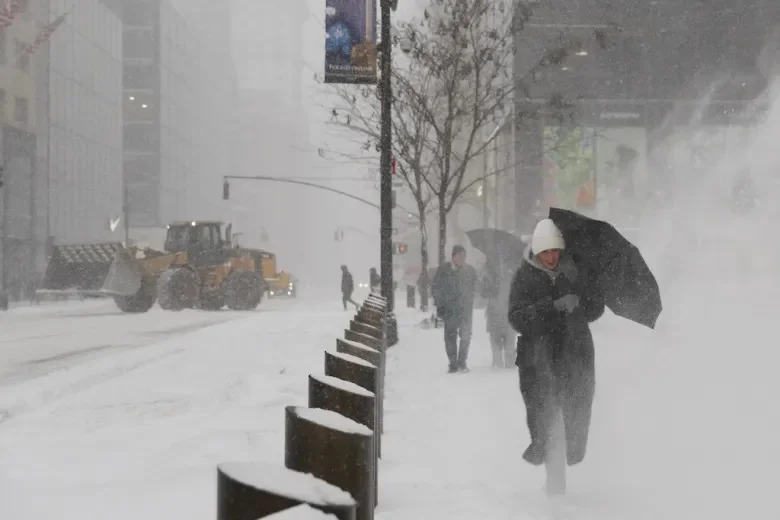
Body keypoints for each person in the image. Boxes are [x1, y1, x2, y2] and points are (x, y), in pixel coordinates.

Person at [508, 218, 605, 466]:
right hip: (537, 357)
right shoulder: (524, 277)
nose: (551, 257)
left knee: (577, 413)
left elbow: (596, 309)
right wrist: (551, 307)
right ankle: (547, 461)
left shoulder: (575, 271)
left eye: (554, 251)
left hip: (575, 353)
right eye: (545, 252)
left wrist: (580, 300)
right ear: (536, 251)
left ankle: (571, 457)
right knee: (542, 416)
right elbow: (516, 317)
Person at [432, 245, 477, 373]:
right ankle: (453, 364)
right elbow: (436, 288)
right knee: (450, 337)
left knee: (466, 336)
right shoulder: (444, 270)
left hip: (465, 309)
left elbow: (475, 287)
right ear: (453, 257)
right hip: (450, 309)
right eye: (460, 256)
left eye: (464, 256)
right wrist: (440, 304)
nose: (462, 258)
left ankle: (462, 362)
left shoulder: (470, 271)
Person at [482, 260, 515, 369]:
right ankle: (498, 364)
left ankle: (508, 364)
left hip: (508, 316)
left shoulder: (512, 280)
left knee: (509, 344)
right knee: (496, 344)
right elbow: (483, 293)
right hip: (494, 316)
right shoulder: (489, 279)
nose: (501, 269)